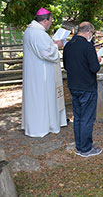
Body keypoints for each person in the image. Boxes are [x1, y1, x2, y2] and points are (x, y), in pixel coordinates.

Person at [21, 8, 67, 138]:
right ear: (45, 20)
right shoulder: (39, 34)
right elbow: (47, 53)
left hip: (34, 73)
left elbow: (41, 48)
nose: (51, 23)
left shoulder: (30, 31)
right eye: (51, 20)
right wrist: (56, 46)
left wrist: (51, 44)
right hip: (42, 74)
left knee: (35, 99)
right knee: (42, 99)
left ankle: (34, 125)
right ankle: (43, 126)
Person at [63, 22, 102, 157]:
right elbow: (95, 68)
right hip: (87, 87)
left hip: (74, 86)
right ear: (89, 32)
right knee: (87, 118)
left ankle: (80, 146)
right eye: (92, 33)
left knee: (78, 117)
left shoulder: (68, 45)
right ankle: (86, 149)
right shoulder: (87, 46)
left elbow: (66, 66)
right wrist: (97, 60)